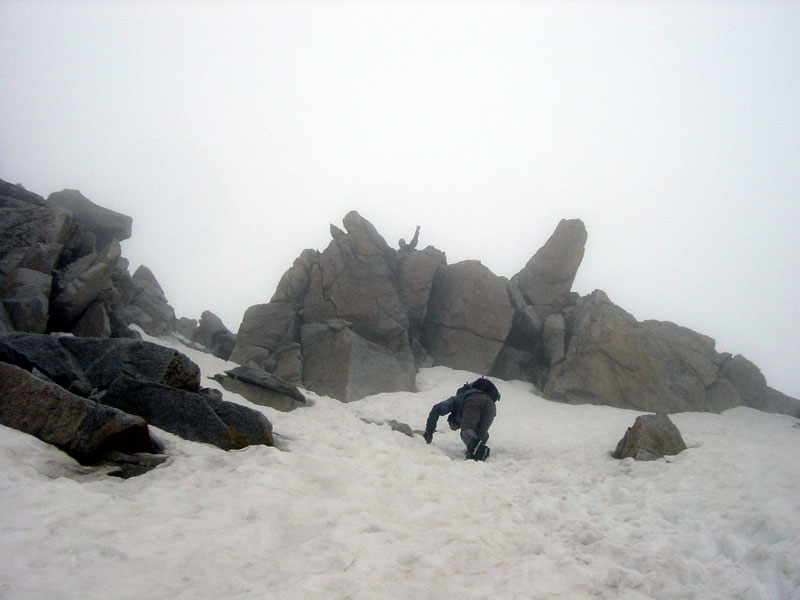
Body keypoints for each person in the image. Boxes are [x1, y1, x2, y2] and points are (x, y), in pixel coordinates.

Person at [423, 377, 500, 461]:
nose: (454, 427)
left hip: (474, 400)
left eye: (452, 425)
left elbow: (437, 408)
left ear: (453, 418)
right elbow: (482, 435)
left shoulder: (456, 400)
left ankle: (480, 453)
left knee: (466, 430)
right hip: (491, 406)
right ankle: (478, 452)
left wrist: (429, 431)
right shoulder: (463, 405)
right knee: (479, 434)